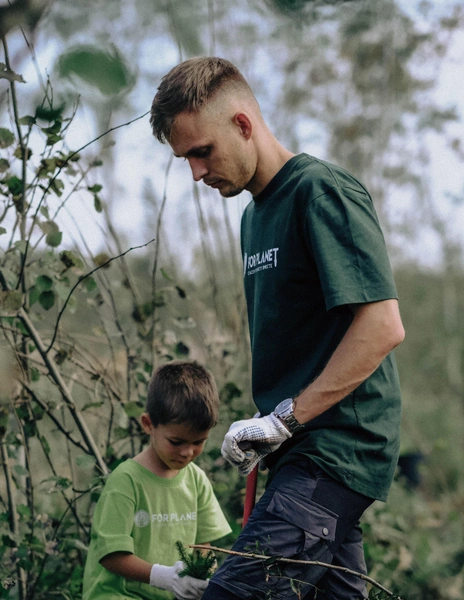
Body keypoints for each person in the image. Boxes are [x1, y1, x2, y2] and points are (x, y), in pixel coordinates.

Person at [150, 57, 405, 600]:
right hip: (299, 456)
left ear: (243, 125)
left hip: (334, 451)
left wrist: (284, 420)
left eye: (202, 151)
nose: (196, 173)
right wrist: (270, 430)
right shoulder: (253, 216)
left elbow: (382, 325)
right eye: (185, 160)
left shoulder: (321, 190)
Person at [82, 360, 232, 600]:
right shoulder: (126, 481)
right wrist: (164, 577)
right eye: (176, 442)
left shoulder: (196, 480)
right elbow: (110, 556)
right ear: (148, 424)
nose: (187, 452)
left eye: (198, 442)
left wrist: (201, 577)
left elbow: (204, 547)